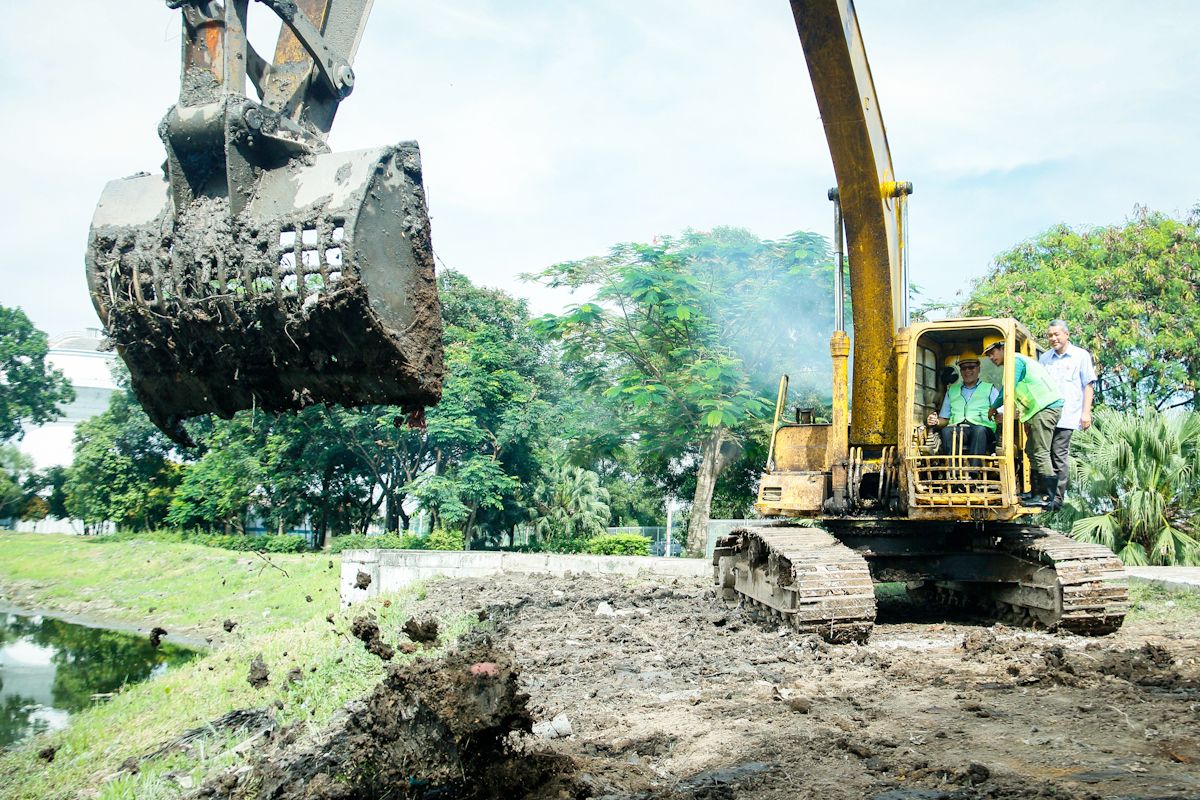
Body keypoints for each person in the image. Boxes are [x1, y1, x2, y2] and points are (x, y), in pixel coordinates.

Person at [984, 337, 1064, 508]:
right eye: (988, 355)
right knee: (1030, 450)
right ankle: (1035, 493)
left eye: (993, 353)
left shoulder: (1016, 360)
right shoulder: (1014, 363)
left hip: (1045, 408)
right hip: (1038, 411)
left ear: (1003, 347)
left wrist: (994, 406)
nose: (991, 357)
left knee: (1040, 452)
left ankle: (1047, 497)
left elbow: (1009, 389)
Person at [1039, 320, 1096, 509]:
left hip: (1067, 415)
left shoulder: (1080, 356)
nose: (1053, 338)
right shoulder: (1045, 358)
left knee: (1058, 455)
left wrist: (1085, 412)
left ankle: (1056, 498)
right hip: (1045, 414)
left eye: (1057, 334)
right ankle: (1042, 494)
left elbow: (1088, 385)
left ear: (1066, 335)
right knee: (1040, 454)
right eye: (1050, 335)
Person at [925, 352, 999, 456]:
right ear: (960, 371)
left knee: (979, 431)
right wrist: (936, 421)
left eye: (971, 367)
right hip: (959, 429)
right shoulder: (951, 391)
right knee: (946, 431)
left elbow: (1001, 412)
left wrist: (1000, 415)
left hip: (984, 431)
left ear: (978, 368)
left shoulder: (990, 389)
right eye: (964, 368)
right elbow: (945, 419)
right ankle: (951, 470)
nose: (967, 371)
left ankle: (975, 471)